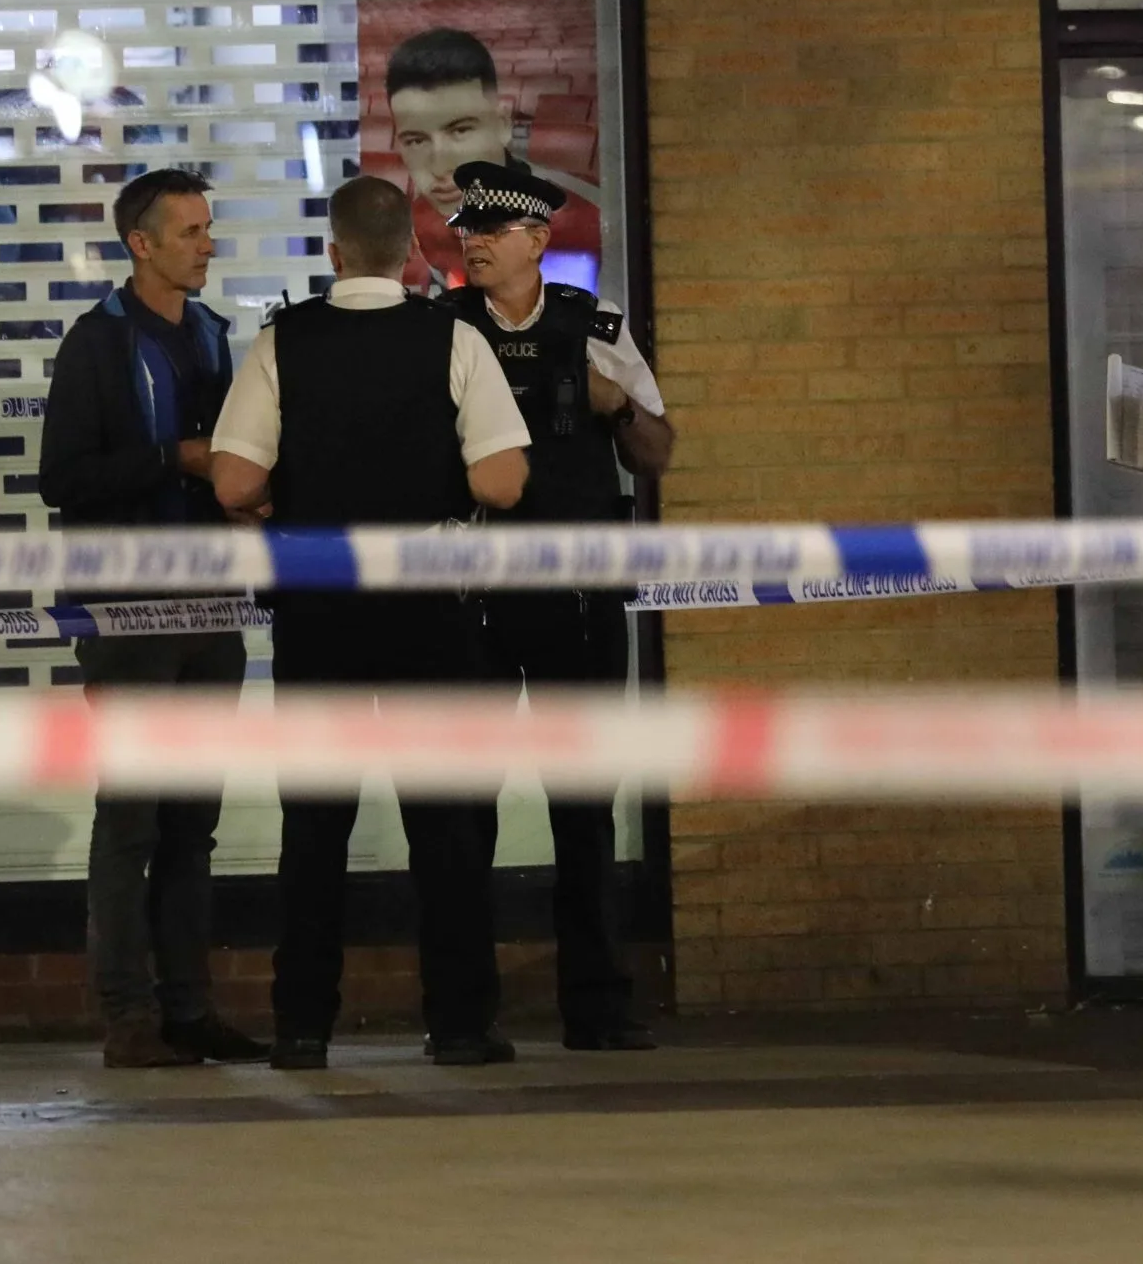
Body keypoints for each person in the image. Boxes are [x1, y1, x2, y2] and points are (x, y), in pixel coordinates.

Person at [206, 175, 532, 1070]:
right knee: (447, 826)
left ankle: (302, 1028)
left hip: (318, 606)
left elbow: (234, 481)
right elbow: (503, 481)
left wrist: (286, 496)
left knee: (313, 828)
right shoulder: (456, 337)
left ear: (334, 252)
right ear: (408, 252)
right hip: (429, 606)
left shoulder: (284, 340)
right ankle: (460, 1025)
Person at [438, 161, 676, 1052]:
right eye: (469, 228)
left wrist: (616, 408)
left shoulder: (595, 329)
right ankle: (464, 1015)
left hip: (576, 600)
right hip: (476, 598)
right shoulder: (443, 329)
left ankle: (598, 1006)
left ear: (539, 241)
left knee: (583, 810)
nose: (476, 241)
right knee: (467, 811)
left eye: (494, 229)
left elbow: (657, 452)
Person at [37, 168, 269, 1070]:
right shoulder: (95, 343)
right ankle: (127, 1016)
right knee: (130, 818)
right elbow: (65, 477)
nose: (207, 243)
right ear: (142, 243)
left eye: (208, 228)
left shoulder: (216, 335)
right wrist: (175, 457)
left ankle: (190, 1008)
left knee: (192, 824)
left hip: (212, 604)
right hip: (129, 611)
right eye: (191, 230)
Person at [384, 28, 603, 289]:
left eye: (461, 130)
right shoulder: (416, 223)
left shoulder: (584, 220)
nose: (440, 166)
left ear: (502, 125)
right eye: (416, 141)